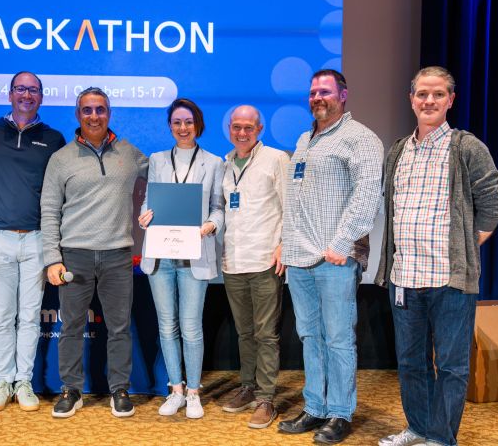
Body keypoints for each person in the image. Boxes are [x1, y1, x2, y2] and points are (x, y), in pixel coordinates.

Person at [375, 66, 498, 446]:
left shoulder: (467, 147)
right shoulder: (398, 150)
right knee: (412, 364)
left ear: (450, 100)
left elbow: (496, 204)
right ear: (411, 99)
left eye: (437, 94)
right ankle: (417, 428)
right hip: (404, 278)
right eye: (422, 94)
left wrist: (467, 245)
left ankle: (441, 437)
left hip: (449, 281)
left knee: (450, 367)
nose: (428, 101)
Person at [279, 69, 383, 444]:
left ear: (343, 95)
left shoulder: (361, 139)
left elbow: (367, 197)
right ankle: (315, 407)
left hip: (335, 258)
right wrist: (286, 244)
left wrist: (341, 244)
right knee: (310, 336)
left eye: (324, 91)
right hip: (299, 257)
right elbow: (295, 200)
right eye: (312, 92)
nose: (316, 97)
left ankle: (340, 412)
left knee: (338, 339)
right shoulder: (305, 139)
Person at [41, 87, 148, 418]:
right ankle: (71, 390)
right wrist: (52, 258)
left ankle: (119, 388)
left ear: (109, 113)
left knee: (118, 327)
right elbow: (48, 210)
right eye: (87, 110)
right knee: (71, 326)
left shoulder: (129, 153)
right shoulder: (60, 159)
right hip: (75, 255)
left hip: (118, 255)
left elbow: (161, 176)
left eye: (100, 109)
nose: (94, 116)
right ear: (78, 115)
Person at [0, 71, 65, 412]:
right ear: (9, 94)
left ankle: (23, 381)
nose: (26, 95)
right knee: (1, 316)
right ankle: (2, 381)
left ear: (41, 97)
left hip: (36, 239)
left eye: (33, 90)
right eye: (20, 89)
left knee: (29, 316)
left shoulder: (53, 138)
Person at [137, 98, 224, 419]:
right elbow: (148, 202)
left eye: (188, 122)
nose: (182, 128)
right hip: (161, 254)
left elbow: (218, 207)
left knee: (191, 328)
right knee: (167, 326)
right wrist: (144, 215)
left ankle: (194, 392)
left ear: (197, 124)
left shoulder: (214, 162)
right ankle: (175, 389)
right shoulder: (157, 160)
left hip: (195, 254)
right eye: (176, 122)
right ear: (170, 126)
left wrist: (211, 225)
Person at [220, 105, 289, 429]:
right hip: (233, 262)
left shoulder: (276, 159)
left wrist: (283, 246)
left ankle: (266, 398)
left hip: (264, 260)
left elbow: (290, 206)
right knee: (244, 332)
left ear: (259, 129)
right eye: (237, 127)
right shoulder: (226, 163)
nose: (242, 132)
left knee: (266, 334)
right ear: (230, 129)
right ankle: (247, 387)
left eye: (248, 127)